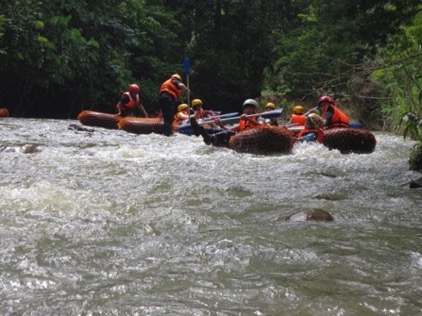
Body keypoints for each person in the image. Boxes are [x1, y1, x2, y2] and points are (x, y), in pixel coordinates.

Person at [190, 99, 262, 146]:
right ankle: (199, 130)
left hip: (247, 138)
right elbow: (229, 129)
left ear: (255, 109)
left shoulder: (258, 118)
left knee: (226, 133)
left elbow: (263, 127)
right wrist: (220, 125)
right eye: (246, 108)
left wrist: (249, 120)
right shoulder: (243, 120)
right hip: (239, 136)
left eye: (250, 108)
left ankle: (210, 138)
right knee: (217, 130)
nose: (248, 110)